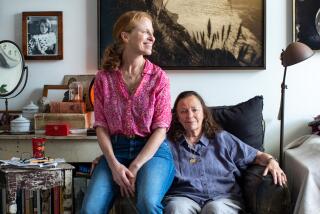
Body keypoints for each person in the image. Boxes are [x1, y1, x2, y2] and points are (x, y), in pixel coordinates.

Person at [81, 11, 174, 214]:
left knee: (148, 203)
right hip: (116, 151)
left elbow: (161, 129)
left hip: (153, 153)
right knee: (89, 210)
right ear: (125, 36)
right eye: (146, 32)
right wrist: (114, 165)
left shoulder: (159, 78)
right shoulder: (104, 79)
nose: (153, 38)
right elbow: (101, 127)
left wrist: (135, 167)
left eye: (153, 33)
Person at [164, 91, 287, 214]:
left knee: (214, 209)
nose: (189, 115)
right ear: (177, 117)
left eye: (194, 110)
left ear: (203, 113)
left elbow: (256, 156)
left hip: (222, 198)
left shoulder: (223, 139)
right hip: (184, 197)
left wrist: (271, 161)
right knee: (176, 208)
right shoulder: (168, 144)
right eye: (183, 111)